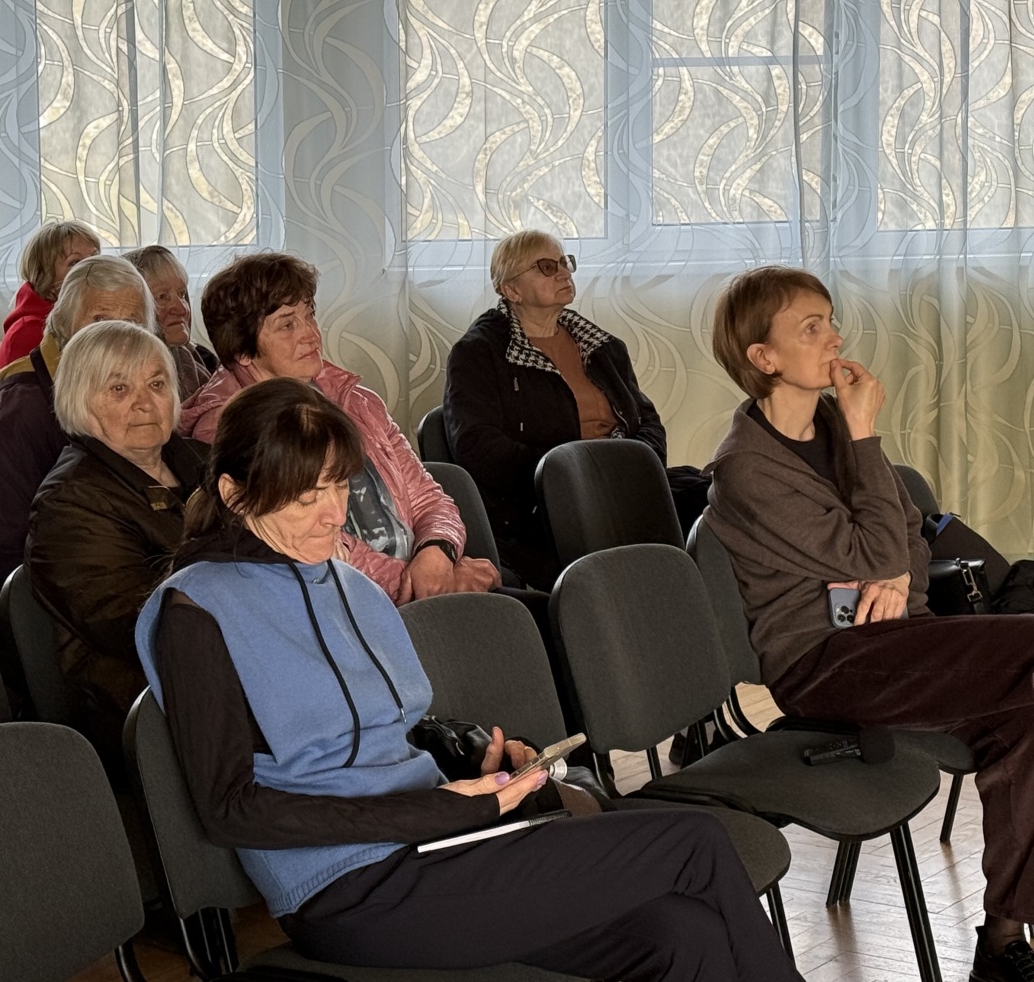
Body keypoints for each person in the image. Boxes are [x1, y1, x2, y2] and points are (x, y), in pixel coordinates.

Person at [134, 379, 800, 981]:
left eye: (339, 487)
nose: (334, 515)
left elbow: (387, 728)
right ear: (234, 493)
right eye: (307, 497)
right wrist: (438, 809)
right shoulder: (196, 611)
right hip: (348, 890)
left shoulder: (351, 586)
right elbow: (230, 808)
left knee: (682, 935)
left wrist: (472, 761)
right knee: (695, 842)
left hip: (439, 848)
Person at [704, 266, 1034, 982]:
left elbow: (910, 532)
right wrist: (867, 446)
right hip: (827, 663)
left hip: (901, 645)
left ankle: (1001, 941)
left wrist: (896, 573)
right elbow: (877, 547)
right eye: (811, 327)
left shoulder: (832, 426)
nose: (835, 337)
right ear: (762, 356)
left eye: (831, 319)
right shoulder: (748, 469)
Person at [181, 252, 497, 604]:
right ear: (242, 350)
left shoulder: (357, 400)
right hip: (344, 603)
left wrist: (438, 552)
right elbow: (308, 542)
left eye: (309, 314)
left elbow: (427, 497)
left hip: (419, 581)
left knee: (526, 616)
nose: (311, 334)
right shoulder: (227, 428)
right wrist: (424, 584)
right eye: (287, 325)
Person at [443, 229, 707, 590]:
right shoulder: (479, 353)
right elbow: (478, 446)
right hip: (541, 501)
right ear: (511, 290)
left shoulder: (601, 347)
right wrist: (569, 474)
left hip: (619, 480)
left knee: (713, 497)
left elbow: (646, 420)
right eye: (546, 266)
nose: (564, 273)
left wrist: (636, 466)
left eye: (564, 263)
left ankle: (698, 613)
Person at [0, 255, 157, 620]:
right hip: (9, 617)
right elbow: (10, 558)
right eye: (99, 321)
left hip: (107, 586)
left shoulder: (134, 402)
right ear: (64, 327)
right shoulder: (21, 409)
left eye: (131, 324)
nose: (115, 338)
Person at [25, 321, 203, 764]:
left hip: (222, 664)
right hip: (140, 702)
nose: (144, 402)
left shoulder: (203, 464)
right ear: (79, 400)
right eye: (119, 389)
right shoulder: (70, 501)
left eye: (157, 384)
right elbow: (143, 627)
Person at [0, 219, 102, 370]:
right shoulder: (28, 332)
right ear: (45, 275)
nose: (93, 267)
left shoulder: (92, 314)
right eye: (75, 262)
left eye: (95, 257)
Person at [123, 244, 218, 399]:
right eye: (162, 297)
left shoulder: (203, 359)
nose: (182, 309)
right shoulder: (122, 379)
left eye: (182, 294)